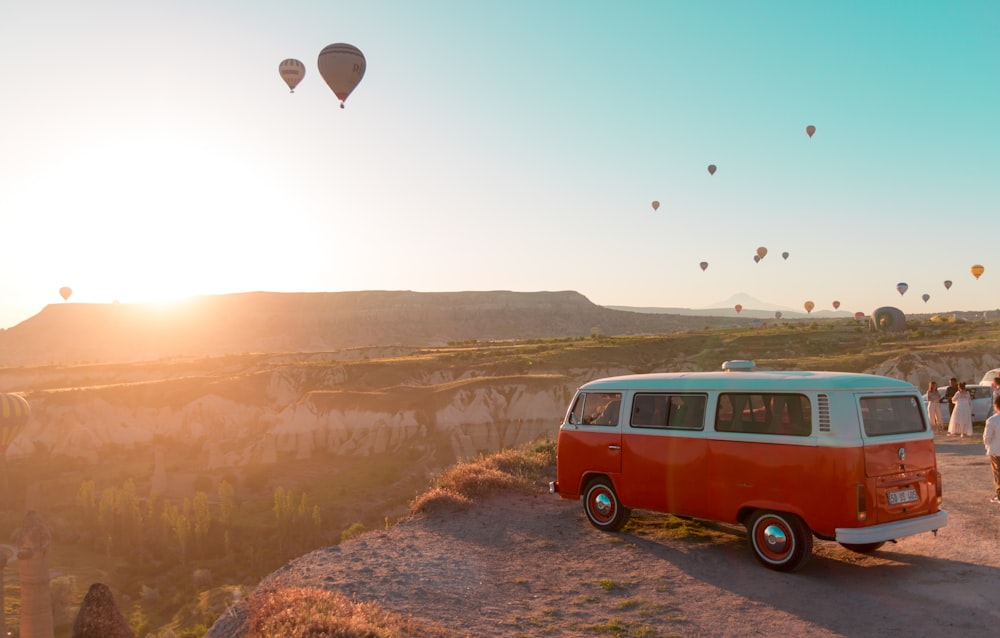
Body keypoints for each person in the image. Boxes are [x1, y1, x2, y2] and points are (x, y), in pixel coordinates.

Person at [984, 396, 1000, 503]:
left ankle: (999, 494)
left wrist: (987, 446)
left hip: (996, 450)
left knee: (997, 473)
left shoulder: (992, 420)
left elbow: (987, 437)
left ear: (996, 406)